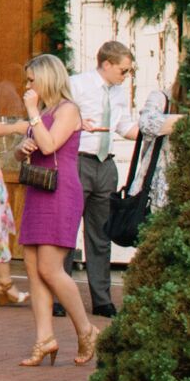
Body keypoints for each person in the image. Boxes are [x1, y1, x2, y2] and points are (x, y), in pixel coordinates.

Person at [11, 53, 101, 366]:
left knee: (50, 267)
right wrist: (21, 150)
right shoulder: (45, 110)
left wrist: (33, 112)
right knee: (34, 268)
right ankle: (44, 338)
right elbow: (28, 149)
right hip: (38, 189)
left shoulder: (68, 110)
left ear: (48, 78)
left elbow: (50, 146)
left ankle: (86, 329)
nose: (28, 86)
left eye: (32, 80)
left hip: (60, 191)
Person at [68, 35, 166, 317]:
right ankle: (59, 297)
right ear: (107, 64)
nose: (127, 75)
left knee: (100, 233)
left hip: (105, 164)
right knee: (67, 230)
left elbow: (124, 126)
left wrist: (155, 131)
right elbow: (58, 115)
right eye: (124, 70)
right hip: (80, 160)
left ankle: (102, 299)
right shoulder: (78, 85)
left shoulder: (118, 93)